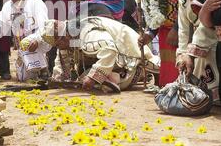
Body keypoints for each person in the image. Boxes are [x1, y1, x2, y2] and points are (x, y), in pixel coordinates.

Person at [29, 17, 158, 93]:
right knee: (82, 80)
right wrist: (57, 79)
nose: (58, 48)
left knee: (94, 81)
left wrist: (93, 78)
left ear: (64, 37)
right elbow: (62, 60)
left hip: (132, 57)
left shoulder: (89, 32)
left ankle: (138, 75)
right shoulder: (69, 36)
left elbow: (109, 50)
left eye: (58, 45)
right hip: (118, 58)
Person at [166, 0, 220, 102]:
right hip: (197, 49)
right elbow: (183, 29)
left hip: (216, 43)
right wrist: (182, 56)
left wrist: (190, 54)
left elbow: (207, 25)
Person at [0, 0, 49, 80]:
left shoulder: (36, 2)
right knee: (23, 78)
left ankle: (43, 68)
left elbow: (44, 26)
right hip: (22, 45)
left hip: (38, 41)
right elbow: (0, 26)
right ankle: (33, 68)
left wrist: (37, 40)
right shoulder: (8, 6)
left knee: (36, 76)